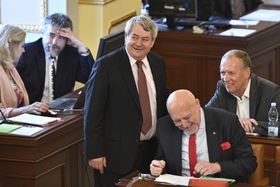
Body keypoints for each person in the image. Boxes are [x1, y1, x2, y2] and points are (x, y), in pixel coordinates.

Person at [84, 15, 169, 186]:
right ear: (126, 36)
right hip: (114, 157)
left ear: (152, 42)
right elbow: (93, 112)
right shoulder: (106, 66)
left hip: (151, 154)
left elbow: (161, 103)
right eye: (134, 37)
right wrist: (94, 152)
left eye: (145, 39)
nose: (139, 43)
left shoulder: (158, 63)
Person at [150, 89, 256, 182]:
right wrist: (157, 167)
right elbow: (161, 160)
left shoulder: (227, 122)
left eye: (187, 117)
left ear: (197, 103)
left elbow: (249, 162)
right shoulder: (164, 127)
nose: (184, 124)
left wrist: (218, 167)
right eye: (177, 121)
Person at [16, 13, 95, 104]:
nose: (54, 42)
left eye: (61, 37)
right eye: (51, 35)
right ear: (43, 33)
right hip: (32, 112)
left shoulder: (70, 54)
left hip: (61, 112)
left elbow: (90, 79)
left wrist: (81, 45)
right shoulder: (26, 53)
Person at [206, 49, 280, 134]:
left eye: (231, 73)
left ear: (247, 73)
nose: (225, 79)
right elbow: (207, 116)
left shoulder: (270, 91)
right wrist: (235, 123)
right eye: (223, 73)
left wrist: (252, 126)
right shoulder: (222, 88)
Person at [0, 25, 48, 119]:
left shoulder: (10, 67)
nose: (24, 50)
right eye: (22, 46)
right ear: (12, 47)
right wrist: (25, 109)